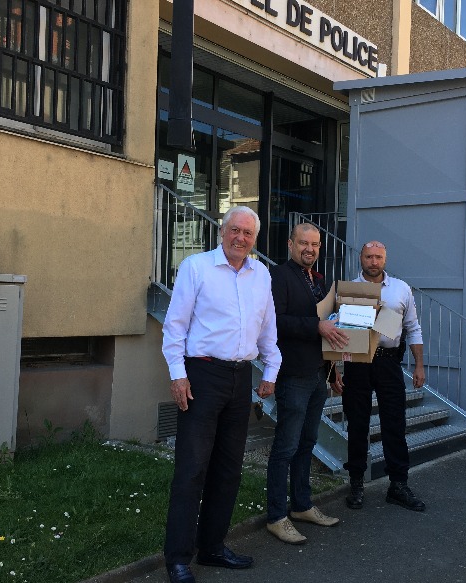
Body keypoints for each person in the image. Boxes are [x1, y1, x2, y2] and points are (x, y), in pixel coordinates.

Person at [161, 206, 282, 583]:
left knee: (228, 469)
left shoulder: (261, 274)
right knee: (192, 469)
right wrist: (178, 376)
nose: (240, 238)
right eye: (234, 230)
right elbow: (174, 327)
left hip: (240, 377)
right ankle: (178, 558)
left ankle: (212, 546)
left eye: (247, 233)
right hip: (202, 376)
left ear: (254, 239)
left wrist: (271, 370)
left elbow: (268, 328)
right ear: (221, 231)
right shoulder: (196, 268)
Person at [265, 223, 350, 545]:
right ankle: (276, 516)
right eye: (303, 243)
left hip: (318, 374)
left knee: (307, 443)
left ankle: (301, 505)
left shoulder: (318, 279)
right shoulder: (278, 276)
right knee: (285, 447)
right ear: (291, 244)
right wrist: (316, 326)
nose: (309, 249)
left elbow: (329, 326)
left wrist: (333, 369)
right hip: (293, 374)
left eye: (314, 244)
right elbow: (274, 321)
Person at [341, 240, 426, 512]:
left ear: (385, 259)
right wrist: (336, 369)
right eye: (369, 257)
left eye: (378, 257)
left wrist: (419, 365)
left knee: (394, 423)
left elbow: (413, 327)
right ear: (361, 258)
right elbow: (339, 332)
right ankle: (356, 483)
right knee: (357, 423)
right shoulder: (349, 289)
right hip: (357, 362)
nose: (373, 262)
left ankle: (398, 485)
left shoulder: (401, 288)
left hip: (389, 362)